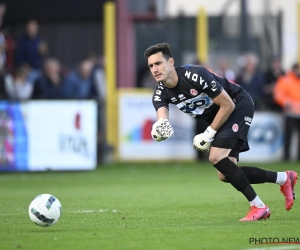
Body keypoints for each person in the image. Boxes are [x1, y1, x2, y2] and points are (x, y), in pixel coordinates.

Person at [144, 43, 298, 222]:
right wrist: (161, 125)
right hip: (222, 115)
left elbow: (228, 104)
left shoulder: (195, 75)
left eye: (158, 63)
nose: (155, 69)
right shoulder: (160, 93)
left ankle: (259, 206)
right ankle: (284, 178)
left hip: (237, 104)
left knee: (215, 156)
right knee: (225, 174)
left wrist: (208, 134)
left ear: (171, 62)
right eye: (151, 66)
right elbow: (162, 116)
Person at [273, 63, 300, 161]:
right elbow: (278, 94)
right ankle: (286, 156)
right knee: (288, 135)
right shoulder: (285, 80)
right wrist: (286, 103)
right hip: (290, 113)